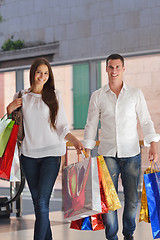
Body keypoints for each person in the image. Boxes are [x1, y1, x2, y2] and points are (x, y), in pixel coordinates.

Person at [83, 53, 160, 240]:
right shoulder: (98, 96)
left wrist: (153, 144)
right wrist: (87, 147)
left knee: (132, 200)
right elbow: (91, 124)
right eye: (111, 67)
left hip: (132, 153)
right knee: (109, 201)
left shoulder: (135, 94)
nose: (114, 70)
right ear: (106, 69)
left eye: (117, 67)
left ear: (123, 69)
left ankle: (128, 233)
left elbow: (146, 121)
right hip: (107, 154)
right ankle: (112, 236)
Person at [7, 57, 84, 240]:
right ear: (33, 73)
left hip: (51, 154)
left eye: (46, 73)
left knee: (42, 202)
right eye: (39, 72)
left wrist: (75, 141)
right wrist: (9, 108)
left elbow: (62, 126)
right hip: (28, 156)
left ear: (50, 76)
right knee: (38, 204)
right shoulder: (21, 96)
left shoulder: (54, 95)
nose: (42, 76)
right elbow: (10, 125)